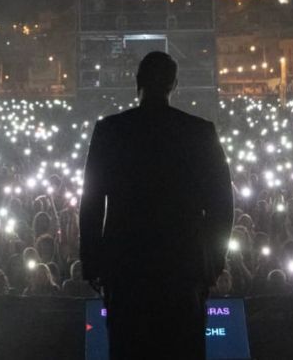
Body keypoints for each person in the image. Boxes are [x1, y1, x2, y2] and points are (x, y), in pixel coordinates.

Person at [80, 51, 233, 360]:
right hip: (183, 268)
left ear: (137, 82)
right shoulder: (199, 132)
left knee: (129, 348)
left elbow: (92, 201)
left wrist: (93, 263)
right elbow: (222, 205)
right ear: (173, 84)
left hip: (126, 268)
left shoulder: (111, 131)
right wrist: (212, 263)